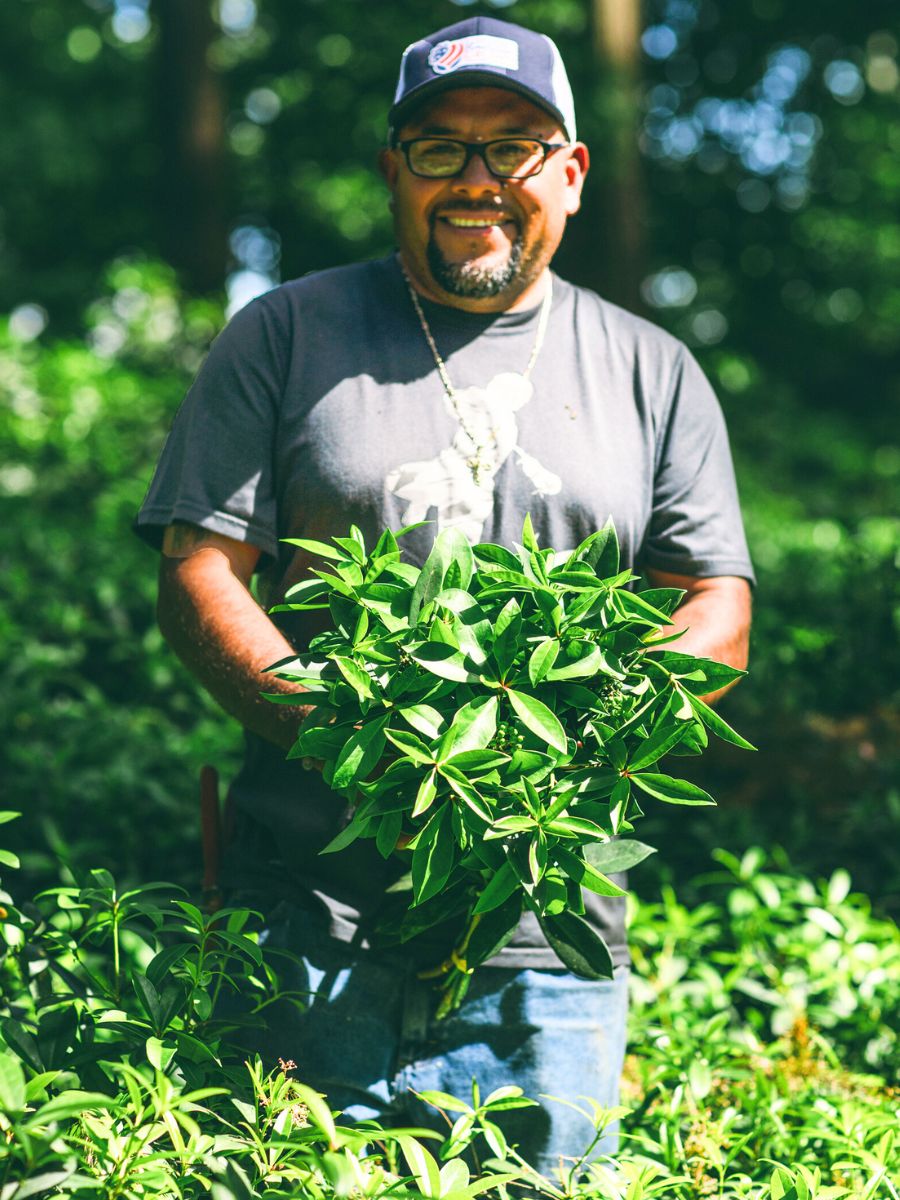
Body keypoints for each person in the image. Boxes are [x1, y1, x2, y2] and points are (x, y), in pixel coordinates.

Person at [136, 15, 753, 1173]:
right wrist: (361, 740)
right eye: (439, 148)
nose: (477, 179)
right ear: (392, 170)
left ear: (567, 172)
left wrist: (597, 745)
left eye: (513, 145)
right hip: (306, 919)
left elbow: (712, 597)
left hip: (549, 951)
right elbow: (202, 571)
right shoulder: (284, 334)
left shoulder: (651, 369)